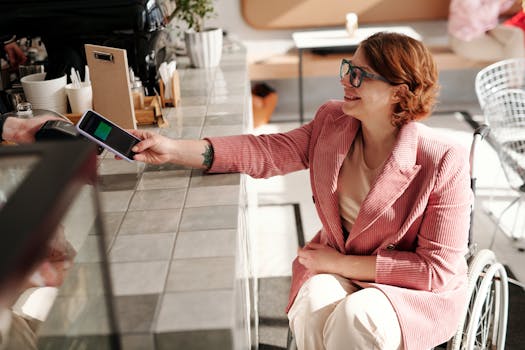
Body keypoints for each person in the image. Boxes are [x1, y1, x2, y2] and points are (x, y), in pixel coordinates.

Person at [127, 32, 472, 350]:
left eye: (359, 75)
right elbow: (265, 152)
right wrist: (172, 149)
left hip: (409, 292)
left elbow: (435, 271)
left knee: (357, 317)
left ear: (398, 92)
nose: (344, 79)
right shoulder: (332, 121)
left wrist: (340, 263)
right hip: (338, 265)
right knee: (312, 303)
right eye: (348, 68)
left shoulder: (442, 160)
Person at [448, 0, 525, 61]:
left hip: (488, 28)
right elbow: (476, 17)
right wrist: (499, 1)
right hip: (466, 38)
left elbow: (499, 8)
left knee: (516, 34)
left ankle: (515, 77)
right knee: (513, 51)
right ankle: (515, 80)